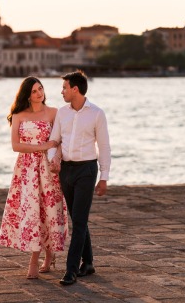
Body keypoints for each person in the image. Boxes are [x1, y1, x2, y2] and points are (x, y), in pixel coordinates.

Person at [0, 76, 69, 279]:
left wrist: (58, 160)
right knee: (32, 213)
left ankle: (49, 255)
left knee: (49, 211)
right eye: (35, 91)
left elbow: (62, 140)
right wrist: (41, 147)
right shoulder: (19, 115)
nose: (40, 93)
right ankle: (33, 261)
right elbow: (16, 146)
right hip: (27, 170)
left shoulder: (54, 112)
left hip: (49, 169)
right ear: (27, 96)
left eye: (41, 89)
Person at [48, 70, 111, 285]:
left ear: (75, 89)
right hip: (66, 170)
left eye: (65, 87)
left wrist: (104, 177)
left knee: (80, 220)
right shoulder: (62, 113)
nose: (62, 91)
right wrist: (52, 160)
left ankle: (71, 270)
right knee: (78, 218)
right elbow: (54, 139)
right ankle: (89, 262)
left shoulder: (96, 113)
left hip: (86, 170)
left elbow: (104, 147)